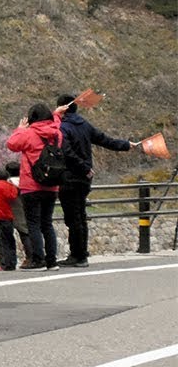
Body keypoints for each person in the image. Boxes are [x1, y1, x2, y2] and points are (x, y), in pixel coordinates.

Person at [54, 94, 135, 267]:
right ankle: (82, 253)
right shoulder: (84, 125)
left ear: (62, 108)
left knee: (73, 218)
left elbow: (67, 152)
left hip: (70, 176)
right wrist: (126, 145)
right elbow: (105, 140)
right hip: (84, 179)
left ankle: (77, 255)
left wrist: (83, 167)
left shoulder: (62, 127)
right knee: (81, 215)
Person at [4, 103, 69, 271]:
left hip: (31, 185)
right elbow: (55, 124)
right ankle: (52, 261)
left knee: (33, 223)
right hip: (51, 185)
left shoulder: (29, 134)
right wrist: (56, 115)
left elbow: (12, 144)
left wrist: (20, 129)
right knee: (47, 223)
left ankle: (38, 259)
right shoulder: (56, 133)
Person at [0, 165, 20, 271]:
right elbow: (14, 196)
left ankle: (4, 264)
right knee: (10, 240)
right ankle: (12, 262)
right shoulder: (9, 186)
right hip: (8, 216)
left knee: (1, 241)